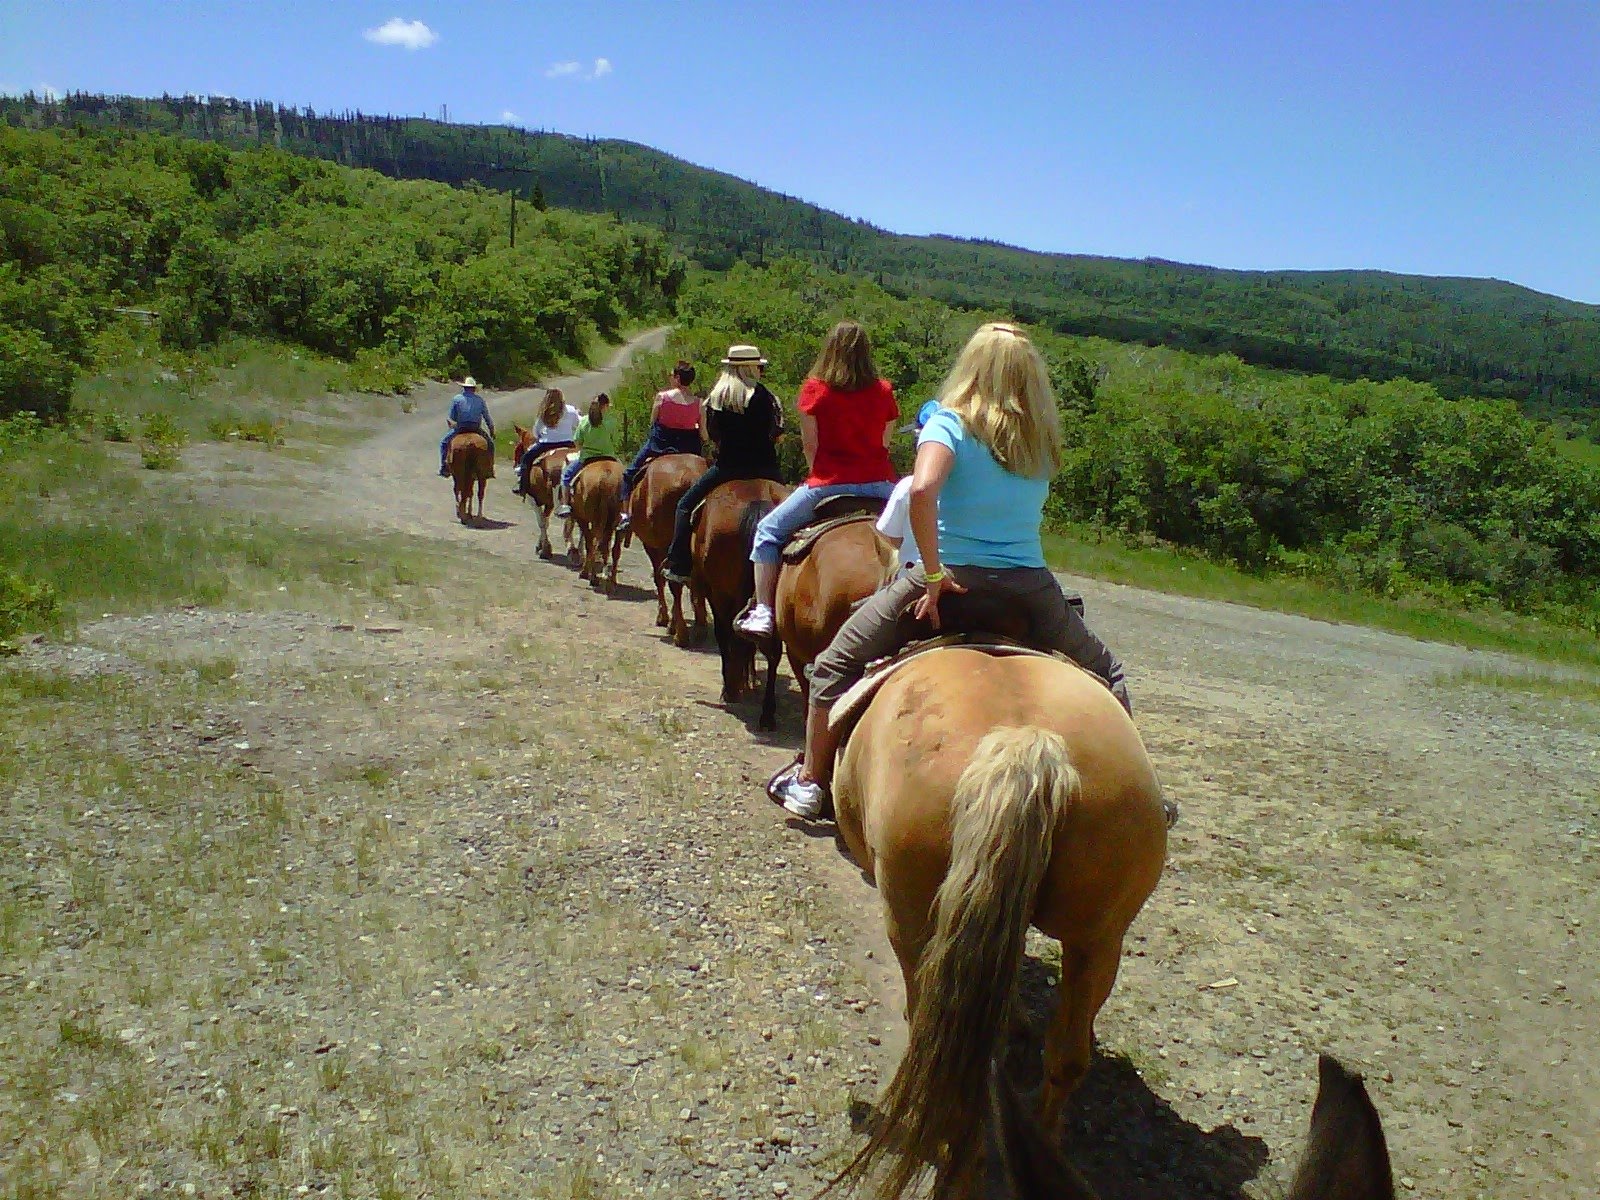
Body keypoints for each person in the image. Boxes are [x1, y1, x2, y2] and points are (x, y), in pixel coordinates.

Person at [768, 322, 1130, 819]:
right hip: (1029, 586)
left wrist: (934, 575)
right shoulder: (1039, 438)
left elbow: (922, 489)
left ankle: (811, 782)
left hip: (956, 576)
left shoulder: (949, 423)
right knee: (1107, 673)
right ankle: (1144, 798)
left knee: (832, 666)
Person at [733, 321, 900, 639]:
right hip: (881, 485)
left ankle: (764, 612)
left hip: (829, 483)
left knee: (767, 533)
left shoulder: (815, 388)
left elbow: (811, 446)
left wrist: (817, 475)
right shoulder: (883, 391)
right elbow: (884, 444)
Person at [662, 345, 785, 583]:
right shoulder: (769, 398)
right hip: (767, 469)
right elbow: (778, 435)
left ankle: (679, 564)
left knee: (685, 506)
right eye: (759, 367)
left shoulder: (717, 399)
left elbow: (712, 436)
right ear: (751, 368)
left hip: (728, 468)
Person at [617, 361, 706, 528]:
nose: (671, 378)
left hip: (660, 445)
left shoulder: (662, 397)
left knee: (629, 474)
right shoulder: (699, 403)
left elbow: (653, 422)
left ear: (678, 378)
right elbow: (704, 435)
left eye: (672, 375)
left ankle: (625, 515)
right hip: (689, 448)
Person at [876, 399, 943, 571]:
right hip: (968, 577)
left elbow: (890, 538)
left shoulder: (907, 486)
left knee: (874, 600)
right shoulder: (980, 487)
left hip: (918, 576)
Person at [556, 394, 618, 517]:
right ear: (605, 407)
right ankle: (626, 509)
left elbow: (577, 441)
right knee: (626, 478)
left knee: (566, 476)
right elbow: (615, 440)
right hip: (609, 457)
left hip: (587, 458)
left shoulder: (584, 421)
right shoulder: (611, 421)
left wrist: (583, 450)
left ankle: (565, 504)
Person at [512, 388, 581, 496]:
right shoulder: (571, 410)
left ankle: (522, 486)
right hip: (568, 443)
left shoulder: (544, 412)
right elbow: (579, 424)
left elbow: (535, 433)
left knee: (526, 459)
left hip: (547, 444)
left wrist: (541, 435)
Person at [439, 376, 493, 476]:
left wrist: (451, 424)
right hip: (475, 428)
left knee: (444, 443)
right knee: (490, 444)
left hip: (461, 427)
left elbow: (451, 418)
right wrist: (491, 430)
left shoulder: (457, 399)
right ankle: (489, 467)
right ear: (474, 388)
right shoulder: (480, 400)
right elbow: (487, 417)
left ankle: (444, 467)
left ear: (464, 388)